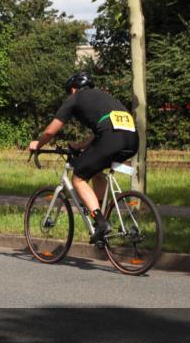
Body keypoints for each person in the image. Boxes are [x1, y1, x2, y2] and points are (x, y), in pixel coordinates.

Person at [28, 72, 139, 245]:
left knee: (78, 178)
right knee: (96, 173)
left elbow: (51, 130)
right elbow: (102, 131)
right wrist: (80, 146)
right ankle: (101, 219)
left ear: (73, 89)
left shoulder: (76, 98)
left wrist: (38, 144)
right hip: (132, 140)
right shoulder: (105, 97)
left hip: (110, 138)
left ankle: (101, 223)